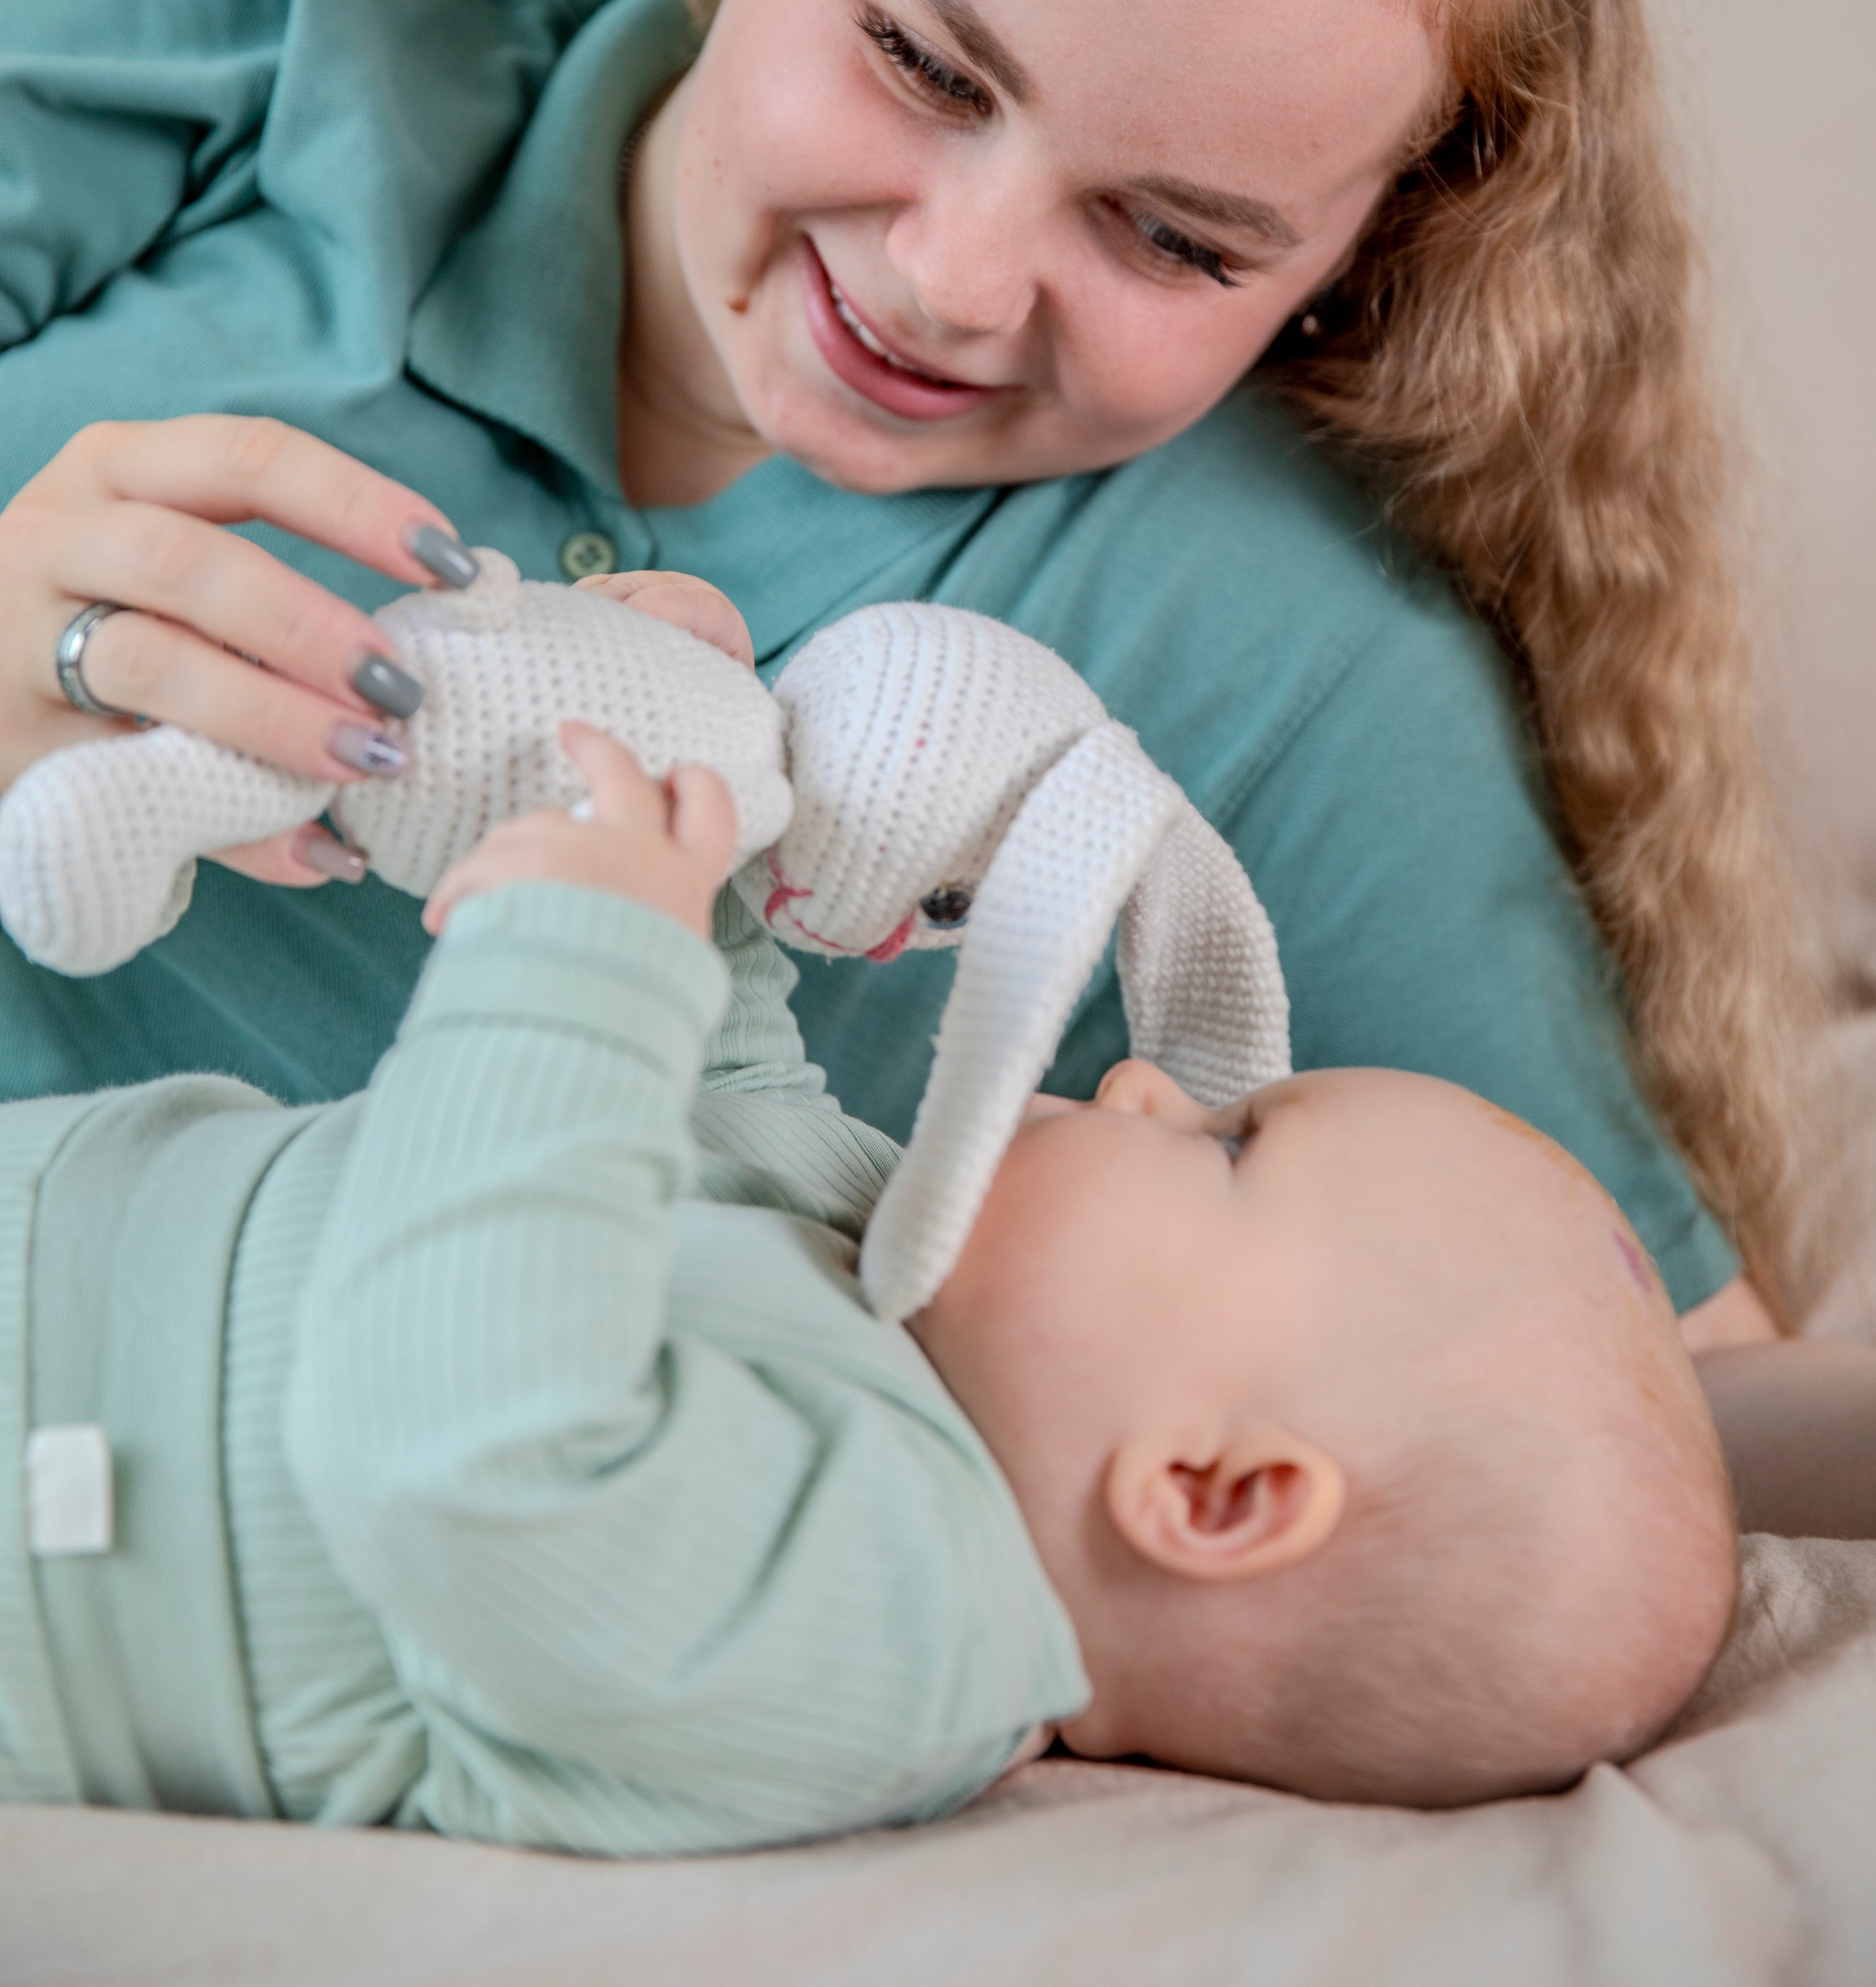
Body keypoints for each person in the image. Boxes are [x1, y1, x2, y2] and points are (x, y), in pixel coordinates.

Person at [0, 0, 1822, 1376]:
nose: (951, 283)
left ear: (1371, 241)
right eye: (927, 64)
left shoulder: (1284, 665)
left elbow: (1654, 1407)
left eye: (1176, 238)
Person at [1, 703, 1737, 1846]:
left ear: (1207, 1493)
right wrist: (704, 835)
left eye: (1227, 1144)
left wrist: (584, 966)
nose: (1145, 1080)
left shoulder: (898, 1641)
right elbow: (730, 1095)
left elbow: (463, 1446)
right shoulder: (885, 1281)